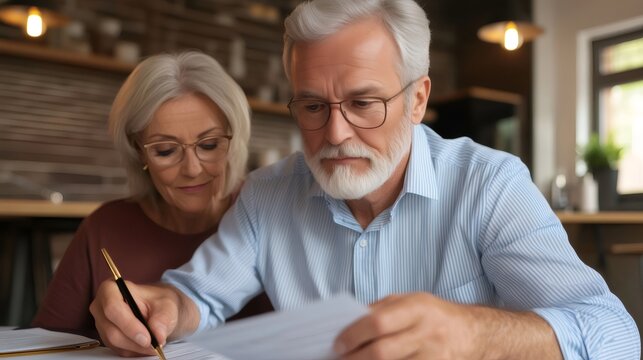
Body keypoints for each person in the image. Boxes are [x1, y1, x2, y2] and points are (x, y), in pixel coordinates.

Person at [90, 1, 640, 359]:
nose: (334, 133)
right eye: (312, 105)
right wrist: (161, 307)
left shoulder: (488, 184)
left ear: (417, 99)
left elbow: (615, 335)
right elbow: (198, 297)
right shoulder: (268, 194)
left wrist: (476, 335)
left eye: (363, 103)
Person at [32, 50, 272, 339]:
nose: (193, 169)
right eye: (166, 150)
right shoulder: (104, 228)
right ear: (137, 150)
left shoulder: (268, 213)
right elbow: (44, 343)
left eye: (209, 145)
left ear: (233, 141)